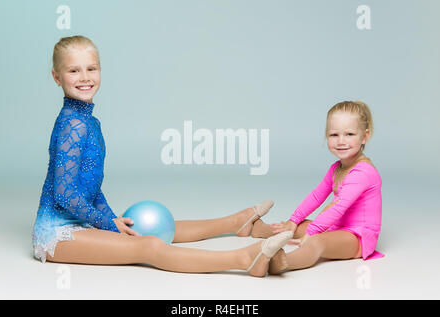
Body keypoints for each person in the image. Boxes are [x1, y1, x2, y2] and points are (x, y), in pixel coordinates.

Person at [31, 35, 293, 277]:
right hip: (57, 235)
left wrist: (111, 220)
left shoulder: (90, 122)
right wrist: (107, 223)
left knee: (157, 226)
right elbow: (64, 194)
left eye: (91, 68)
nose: (84, 77)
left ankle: (237, 223)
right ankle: (244, 259)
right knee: (149, 246)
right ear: (56, 77)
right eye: (73, 70)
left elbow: (91, 188)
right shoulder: (73, 124)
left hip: (84, 219)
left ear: (100, 70)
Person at [251, 101, 384, 274]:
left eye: (349, 134)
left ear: (364, 136)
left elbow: (338, 207)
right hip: (338, 228)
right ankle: (262, 229)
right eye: (334, 134)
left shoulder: (363, 172)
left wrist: (313, 232)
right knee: (299, 226)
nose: (341, 141)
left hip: (357, 238)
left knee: (317, 242)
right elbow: (316, 196)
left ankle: (280, 263)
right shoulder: (336, 168)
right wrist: (293, 221)